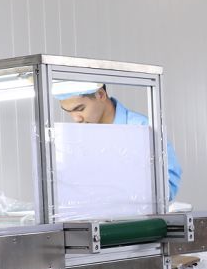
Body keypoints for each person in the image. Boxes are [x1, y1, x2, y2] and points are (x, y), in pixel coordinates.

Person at [53, 81, 182, 200]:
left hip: (134, 216)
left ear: (101, 95)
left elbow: (167, 186)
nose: (76, 119)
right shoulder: (76, 137)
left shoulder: (142, 129)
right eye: (68, 112)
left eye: (80, 109)